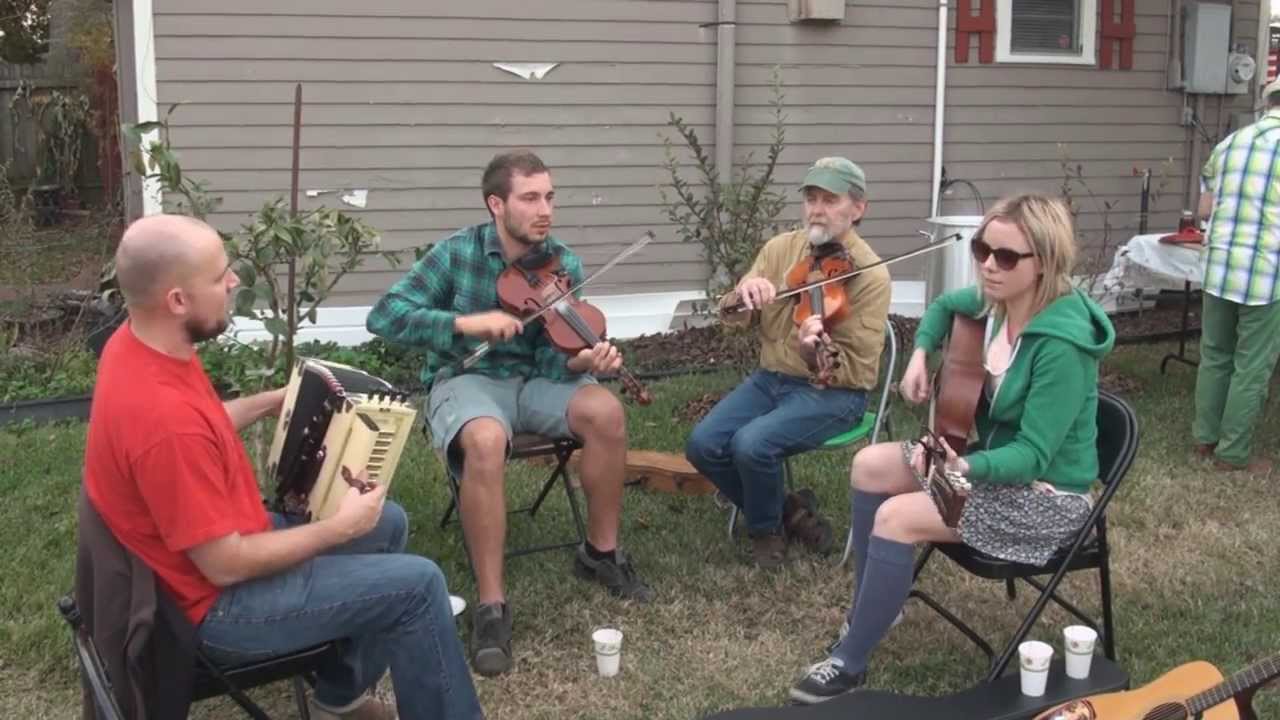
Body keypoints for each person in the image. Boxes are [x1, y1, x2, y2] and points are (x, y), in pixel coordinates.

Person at [83, 214, 483, 720]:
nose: (233, 282)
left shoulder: (139, 344)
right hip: (215, 609)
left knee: (389, 523)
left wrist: (274, 400)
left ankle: (338, 700)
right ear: (177, 301)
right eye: (218, 276)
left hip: (202, 556)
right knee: (419, 585)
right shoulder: (163, 422)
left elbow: (202, 423)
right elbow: (224, 564)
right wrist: (339, 529)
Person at [788, 194, 1115, 703]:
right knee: (870, 463)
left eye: (1006, 257)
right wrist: (920, 354)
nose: (988, 264)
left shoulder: (1062, 346)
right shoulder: (997, 303)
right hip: (989, 469)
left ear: (1045, 262)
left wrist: (963, 465)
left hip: (1045, 499)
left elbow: (1031, 455)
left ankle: (849, 663)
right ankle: (875, 607)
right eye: (983, 249)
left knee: (896, 517)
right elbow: (943, 306)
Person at [366, 149, 653, 678]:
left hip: (538, 382)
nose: (545, 209)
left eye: (550, 197)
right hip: (470, 380)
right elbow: (385, 317)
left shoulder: (562, 263)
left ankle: (601, 552)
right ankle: (492, 605)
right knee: (484, 441)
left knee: (606, 412)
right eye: (530, 198)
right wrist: (466, 324)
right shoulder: (455, 254)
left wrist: (584, 359)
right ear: (496, 204)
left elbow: (558, 357)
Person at [684, 157, 891, 569]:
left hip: (832, 394)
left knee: (751, 444)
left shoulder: (870, 276)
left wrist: (813, 351)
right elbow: (732, 319)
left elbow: (858, 369)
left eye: (830, 200)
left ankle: (765, 530)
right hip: (770, 380)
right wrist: (744, 293)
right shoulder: (780, 250)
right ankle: (790, 512)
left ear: (858, 208)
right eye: (812, 198)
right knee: (702, 444)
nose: (817, 209)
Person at [1191, 77, 1280, 475]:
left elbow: (1204, 209)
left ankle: (1204, 440)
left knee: (1215, 355)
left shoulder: (1229, 144)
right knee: (1252, 365)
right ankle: (1233, 453)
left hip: (1220, 266)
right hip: (1266, 272)